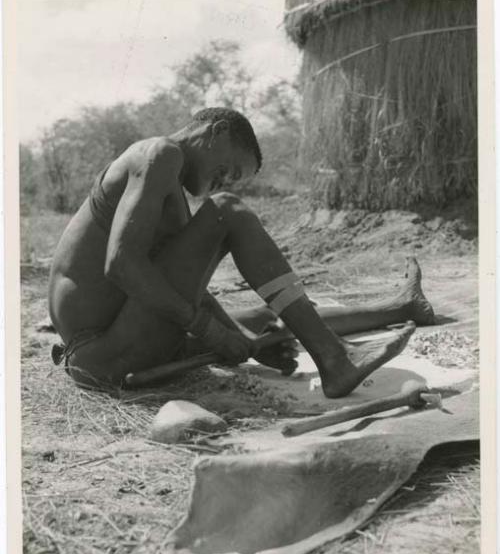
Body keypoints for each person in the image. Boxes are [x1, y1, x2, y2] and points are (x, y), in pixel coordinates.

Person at [48, 108, 434, 397]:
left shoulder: (174, 195)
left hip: (120, 341)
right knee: (228, 209)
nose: (227, 180)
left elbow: (175, 287)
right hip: (101, 352)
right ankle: (336, 359)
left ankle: (403, 307)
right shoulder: (159, 154)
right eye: (231, 168)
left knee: (268, 316)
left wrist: (242, 343)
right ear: (214, 132)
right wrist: (208, 329)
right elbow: (122, 264)